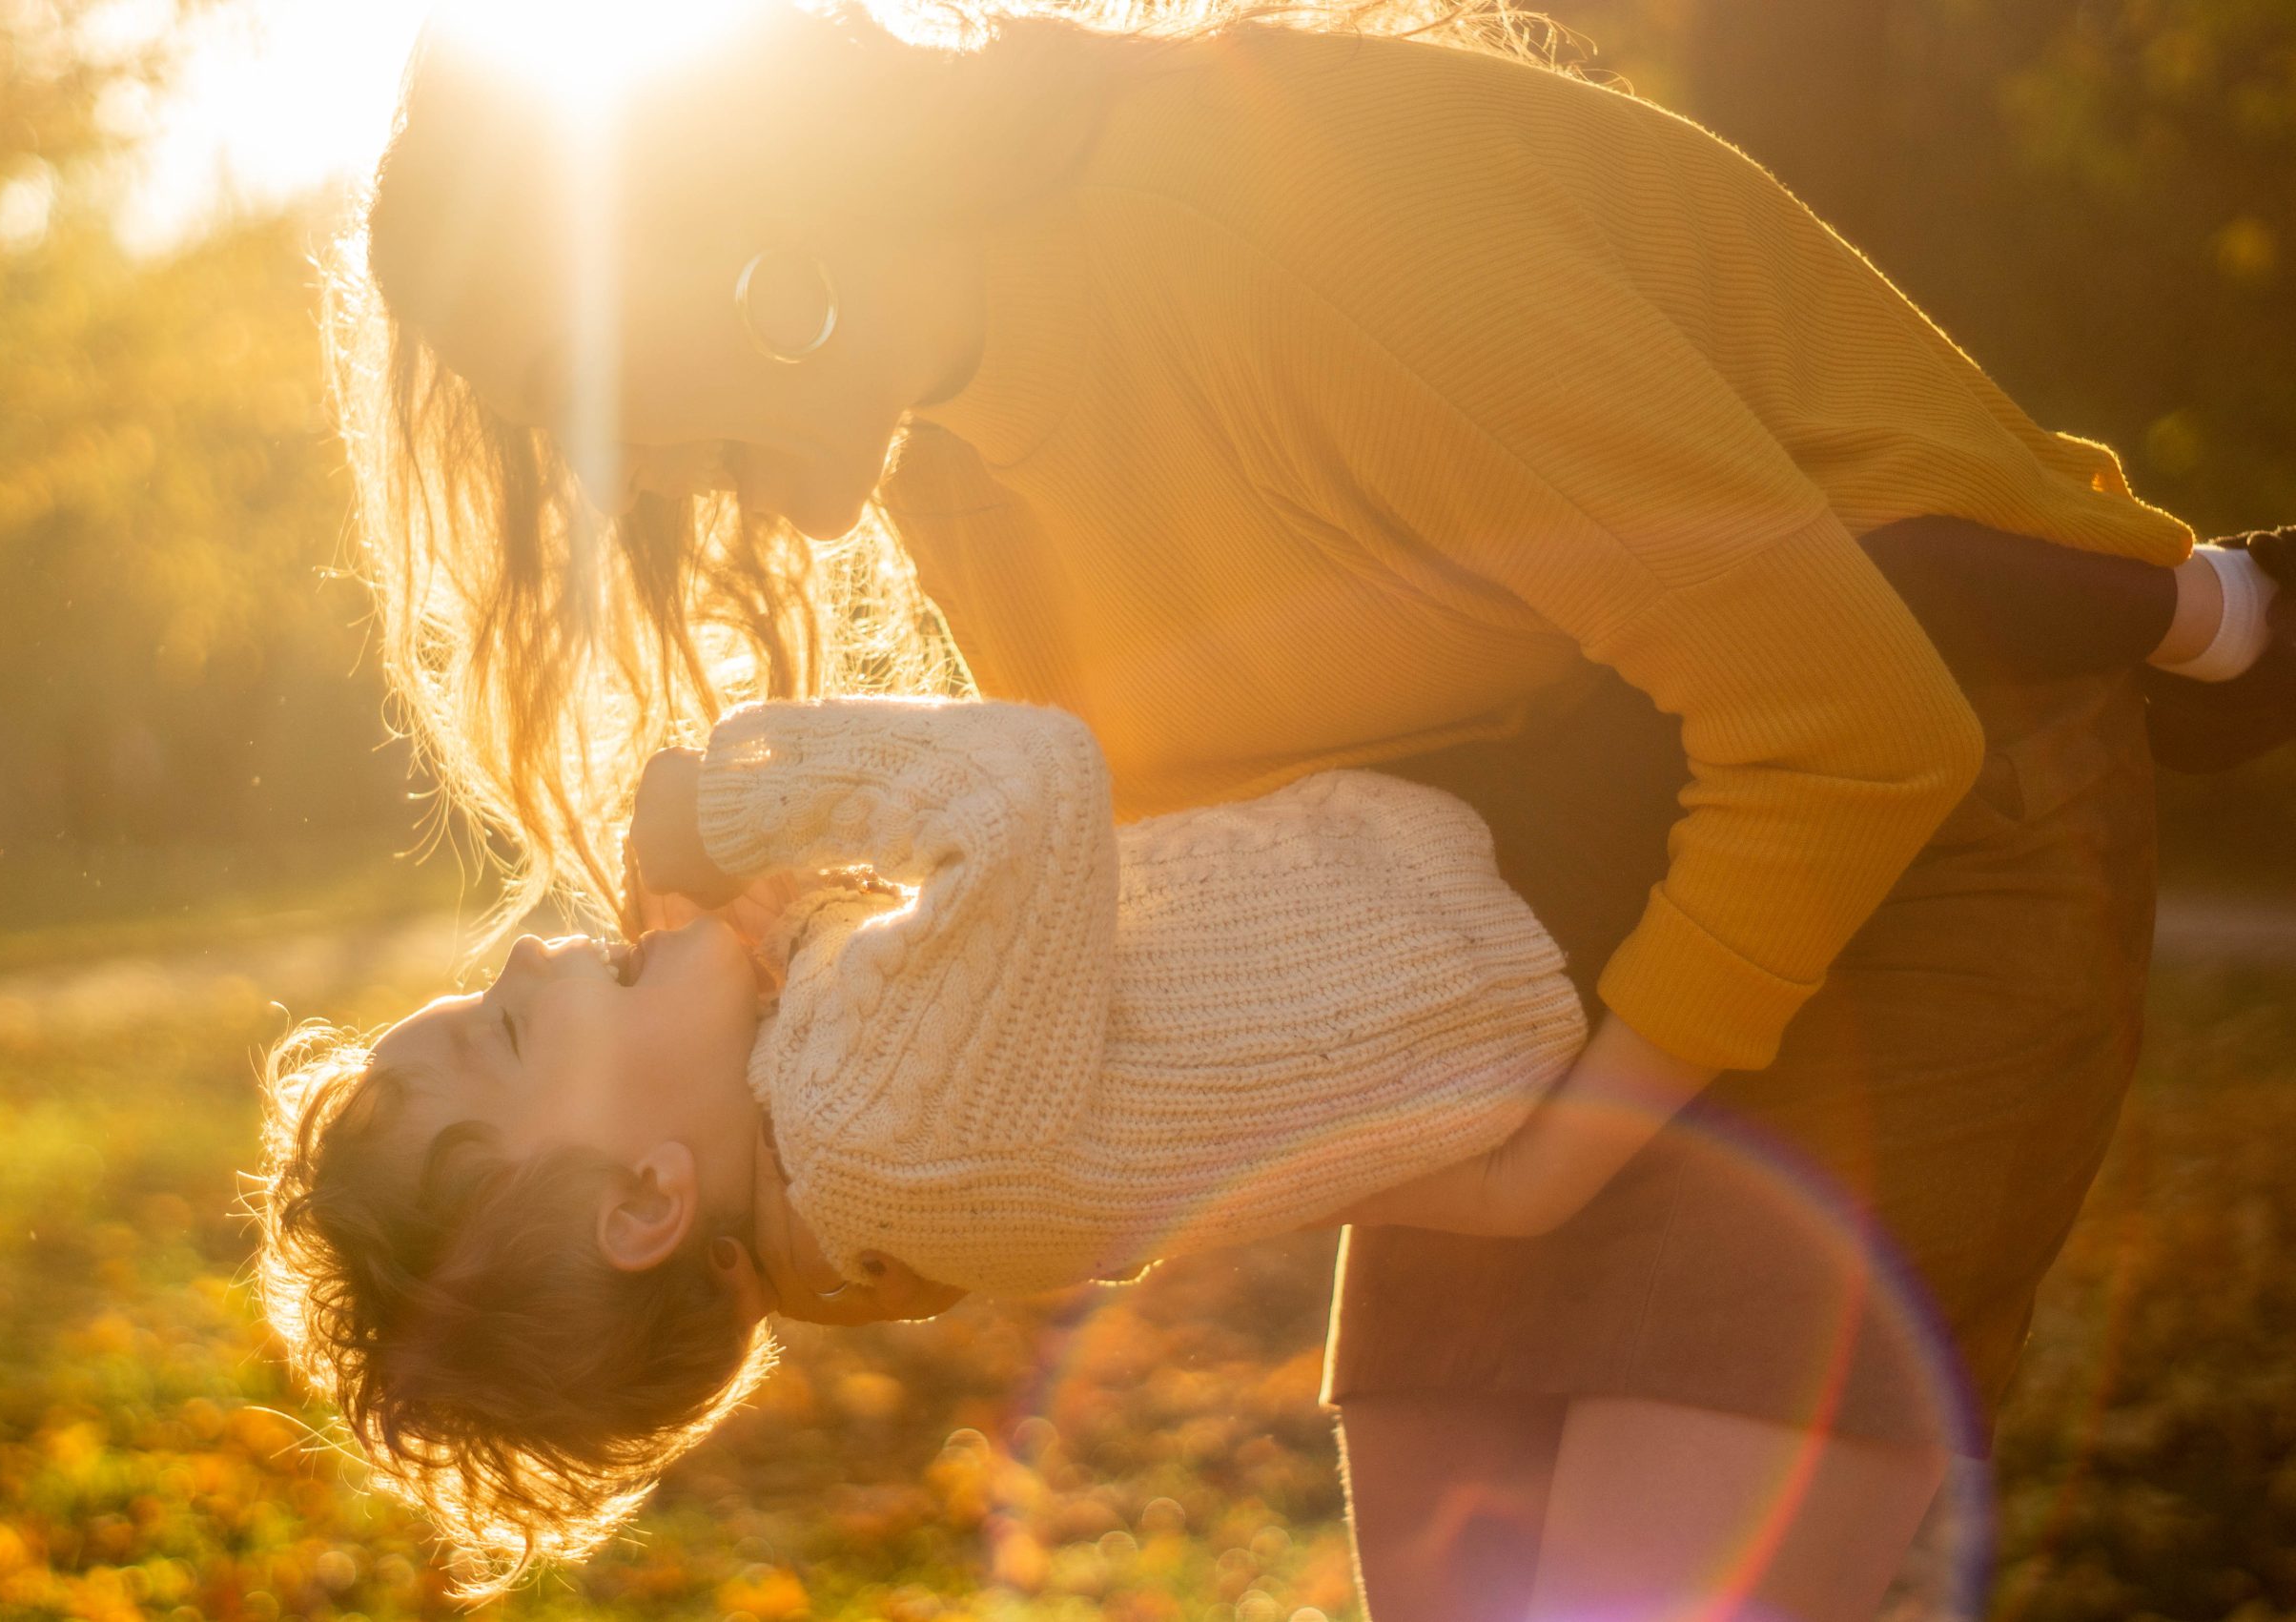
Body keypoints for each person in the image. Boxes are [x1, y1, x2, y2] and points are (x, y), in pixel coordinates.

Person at [323, 0, 2293, 1612]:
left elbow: (1845, 715)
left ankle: (2190, 617)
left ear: (743, 245)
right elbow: (1148, 913)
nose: (617, 476)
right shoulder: (953, 447)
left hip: (1906, 811)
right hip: (1533, 930)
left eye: (581, 384)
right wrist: (809, 1184)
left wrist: (1566, 1153)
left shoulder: (1259, 231)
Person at [249, 692, 1593, 1591]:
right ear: (647, 1198)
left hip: (1488, 920)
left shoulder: (835, 1163)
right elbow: (1028, 790)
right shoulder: (878, 1135)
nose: (534, 951)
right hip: (1538, 877)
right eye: (511, 1030)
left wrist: (744, 937)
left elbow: (944, 968)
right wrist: (732, 805)